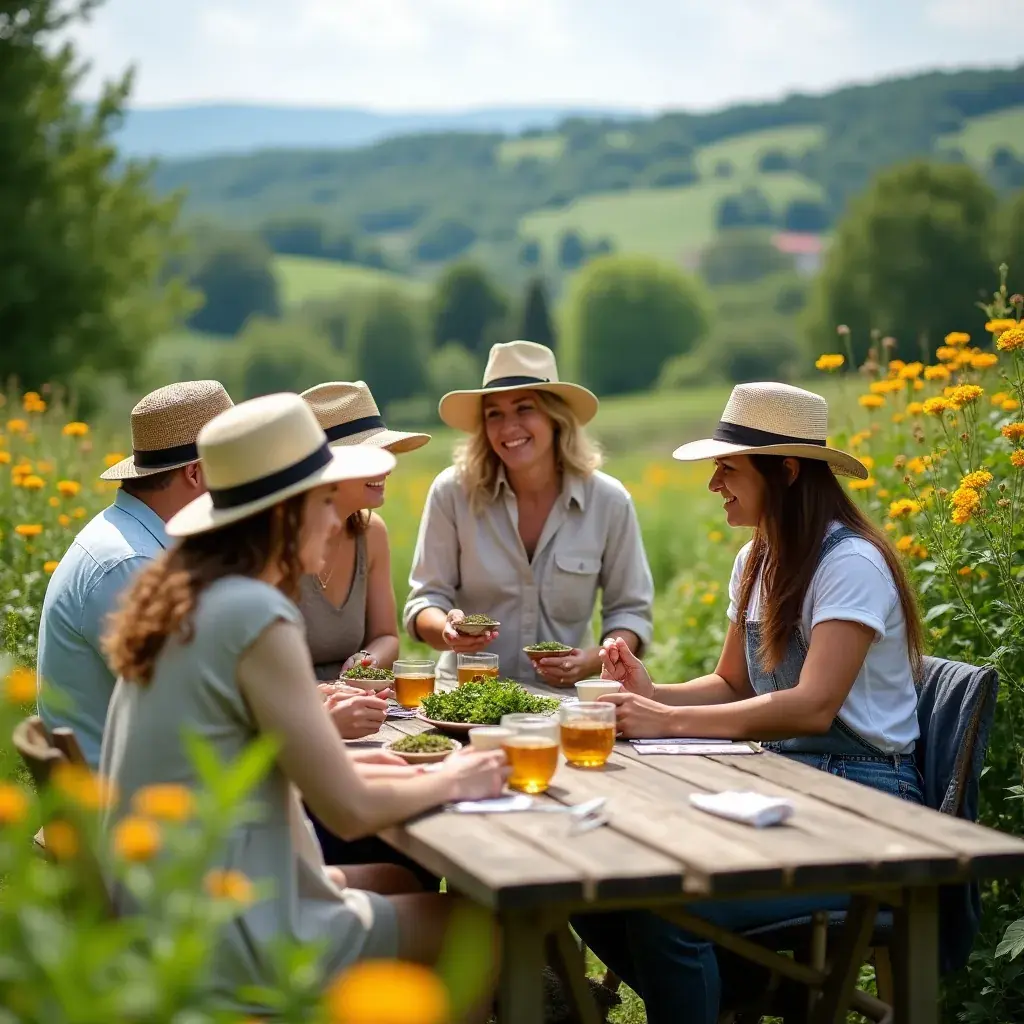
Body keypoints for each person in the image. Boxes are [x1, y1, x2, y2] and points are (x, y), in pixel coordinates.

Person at [99, 393, 507, 1017]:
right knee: (479, 930)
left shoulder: (186, 594)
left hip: (172, 906)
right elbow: (347, 812)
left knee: (397, 880)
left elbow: (274, 765)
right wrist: (457, 775)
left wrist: (401, 771)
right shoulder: (254, 613)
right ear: (286, 514)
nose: (332, 517)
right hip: (231, 931)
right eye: (323, 500)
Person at [570, 382, 926, 1024]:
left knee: (664, 905)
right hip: (787, 791)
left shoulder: (853, 565)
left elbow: (814, 707)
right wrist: (650, 694)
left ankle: (734, 994)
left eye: (727, 468)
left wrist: (668, 719)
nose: (715, 486)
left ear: (786, 472)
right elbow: (734, 684)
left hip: (870, 810)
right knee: (594, 885)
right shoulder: (756, 560)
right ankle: (741, 996)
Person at [404, 340, 654, 693]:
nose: (509, 428)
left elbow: (630, 612)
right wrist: (447, 631)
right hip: (464, 694)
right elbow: (426, 599)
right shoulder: (451, 492)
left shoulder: (609, 501)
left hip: (565, 700)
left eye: (524, 409)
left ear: (556, 417)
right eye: (494, 414)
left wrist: (593, 660)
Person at [36, 380, 233, 768]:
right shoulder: (129, 563)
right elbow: (189, 713)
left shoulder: (139, 541)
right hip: (125, 810)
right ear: (196, 473)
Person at [298, 380, 440, 888]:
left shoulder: (371, 534)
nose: (387, 466)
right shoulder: (277, 550)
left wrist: (364, 662)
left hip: (358, 724)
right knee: (412, 827)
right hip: (305, 740)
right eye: (372, 455)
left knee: (424, 804)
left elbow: (386, 635)